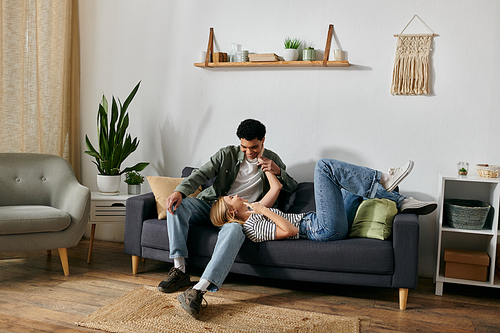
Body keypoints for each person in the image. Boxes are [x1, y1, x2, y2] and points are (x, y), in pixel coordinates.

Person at [158, 119, 298, 316]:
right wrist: (180, 191)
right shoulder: (227, 154)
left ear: (263, 141)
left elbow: (292, 187)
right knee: (177, 206)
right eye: (244, 147)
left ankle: (200, 289)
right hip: (212, 206)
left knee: (234, 229)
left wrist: (277, 171)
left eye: (254, 147)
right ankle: (180, 270)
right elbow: (200, 174)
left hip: (239, 217)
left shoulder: (272, 158)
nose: (249, 152)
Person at [211, 158, 437, 243]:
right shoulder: (251, 227)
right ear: (231, 213)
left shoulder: (254, 211)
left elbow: (277, 187)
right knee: (323, 167)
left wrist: (264, 162)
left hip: (322, 222)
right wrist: (263, 209)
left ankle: (401, 201)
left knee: (350, 188)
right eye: (232, 198)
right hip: (320, 229)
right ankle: (382, 178)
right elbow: (289, 231)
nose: (237, 195)